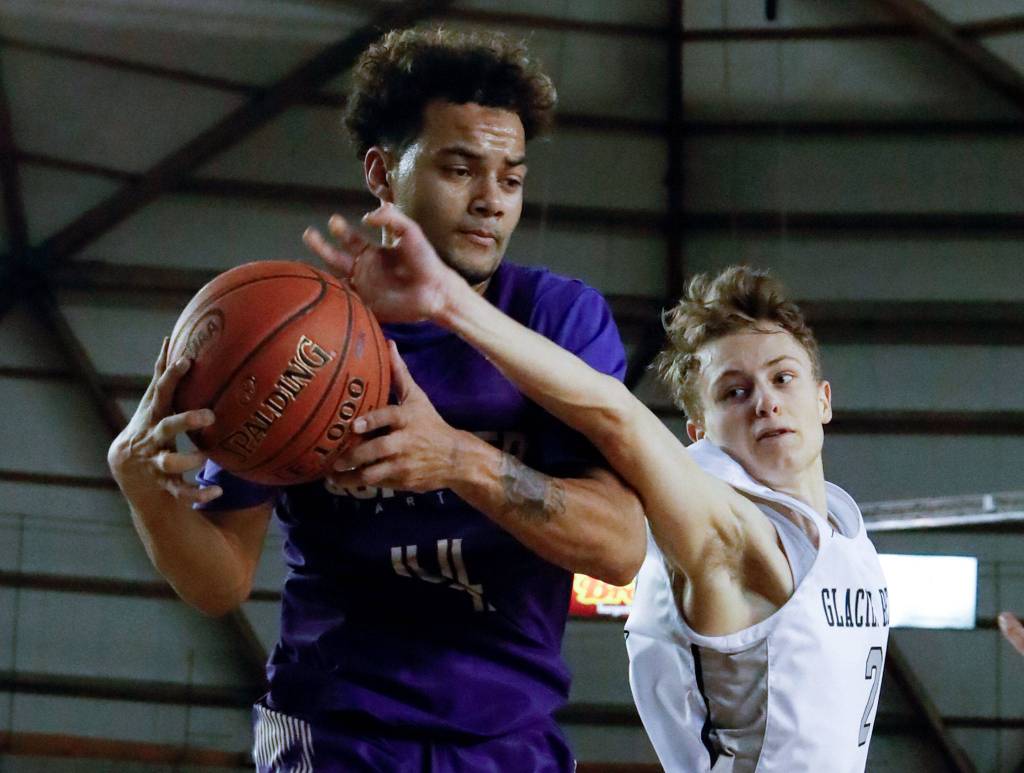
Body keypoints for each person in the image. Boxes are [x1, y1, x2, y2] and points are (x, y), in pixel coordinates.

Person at [107, 28, 645, 773]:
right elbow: (221, 580)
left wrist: (458, 460)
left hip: (509, 738)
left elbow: (619, 548)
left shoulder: (558, 321)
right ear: (382, 172)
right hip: (333, 733)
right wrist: (145, 491)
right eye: (460, 169)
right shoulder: (297, 338)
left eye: (511, 179)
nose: (491, 202)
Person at [311, 203, 891, 772]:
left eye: (783, 377)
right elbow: (615, 414)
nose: (765, 401)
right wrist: (450, 302)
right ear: (698, 431)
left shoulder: (845, 537)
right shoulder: (732, 537)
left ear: (823, 400)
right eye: (734, 392)